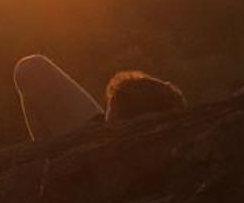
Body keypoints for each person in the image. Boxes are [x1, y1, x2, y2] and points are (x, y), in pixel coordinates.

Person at [12, 56, 187, 141]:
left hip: (102, 135)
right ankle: (45, 151)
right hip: (110, 127)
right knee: (32, 67)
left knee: (30, 68)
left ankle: (45, 153)